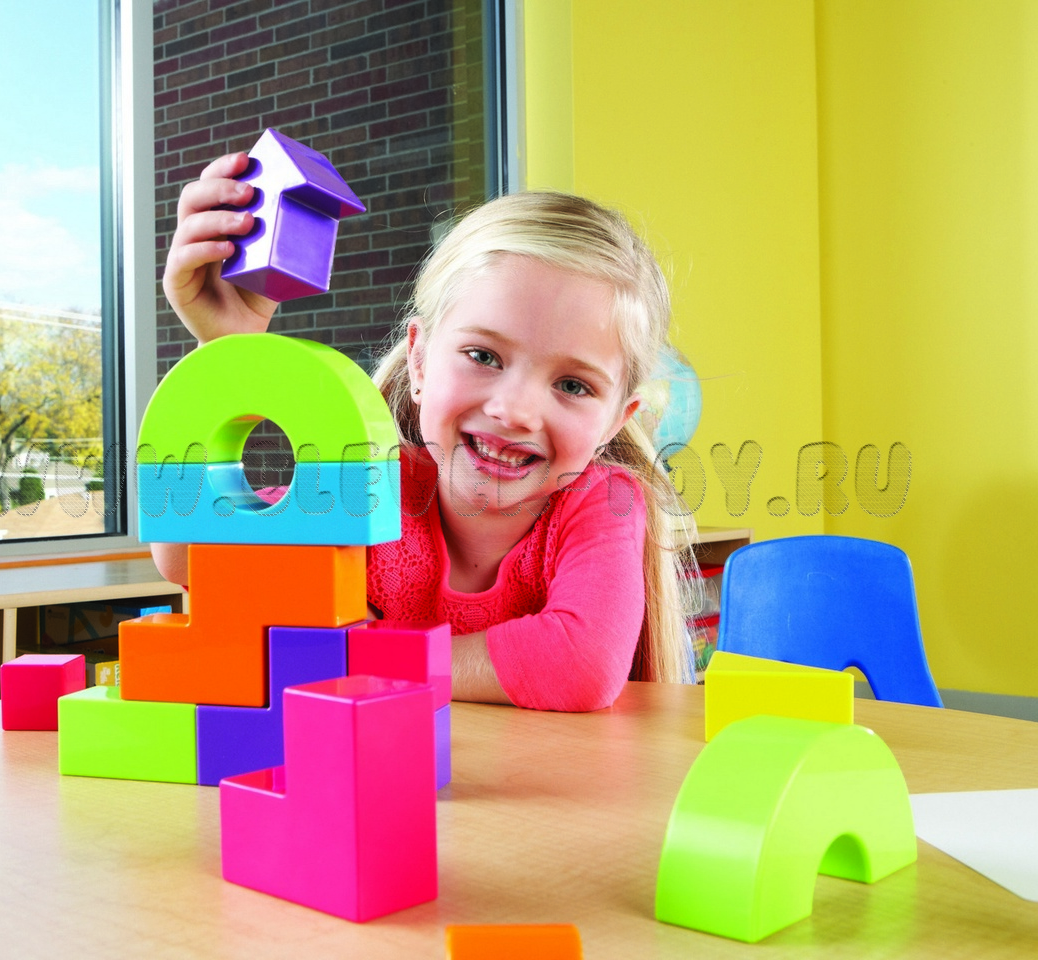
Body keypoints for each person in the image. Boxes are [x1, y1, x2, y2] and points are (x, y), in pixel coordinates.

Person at [153, 151, 696, 712]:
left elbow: (580, 664)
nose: (513, 411)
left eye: (574, 385)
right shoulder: (375, 485)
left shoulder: (603, 503)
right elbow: (193, 556)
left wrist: (354, 658)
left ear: (615, 421)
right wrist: (226, 355)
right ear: (418, 361)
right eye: (483, 355)